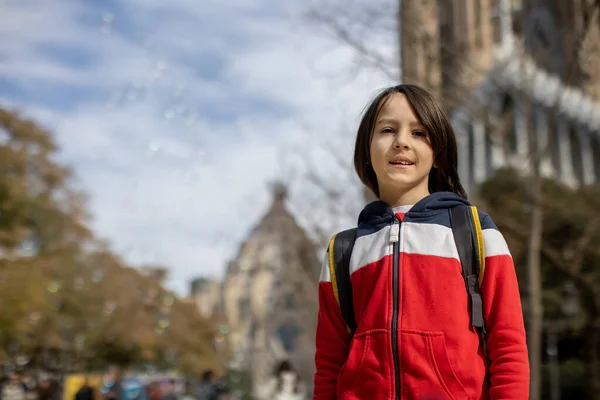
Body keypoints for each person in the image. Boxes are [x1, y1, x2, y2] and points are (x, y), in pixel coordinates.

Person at [313, 84, 529, 400]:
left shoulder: (475, 231)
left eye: (419, 133)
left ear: (438, 153)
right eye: (388, 129)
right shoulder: (343, 251)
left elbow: (508, 343)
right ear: (366, 149)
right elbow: (329, 363)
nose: (401, 142)